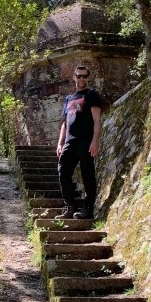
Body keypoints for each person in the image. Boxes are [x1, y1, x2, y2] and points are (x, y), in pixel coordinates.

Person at [56, 65, 102, 219]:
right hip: (70, 142)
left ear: (88, 78)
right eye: (79, 76)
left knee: (87, 174)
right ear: (74, 77)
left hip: (85, 141)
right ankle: (70, 207)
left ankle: (87, 209)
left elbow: (97, 120)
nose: (82, 78)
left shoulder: (91, 95)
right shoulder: (69, 99)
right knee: (63, 171)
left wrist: (94, 141)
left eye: (84, 76)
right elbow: (64, 124)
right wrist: (60, 143)